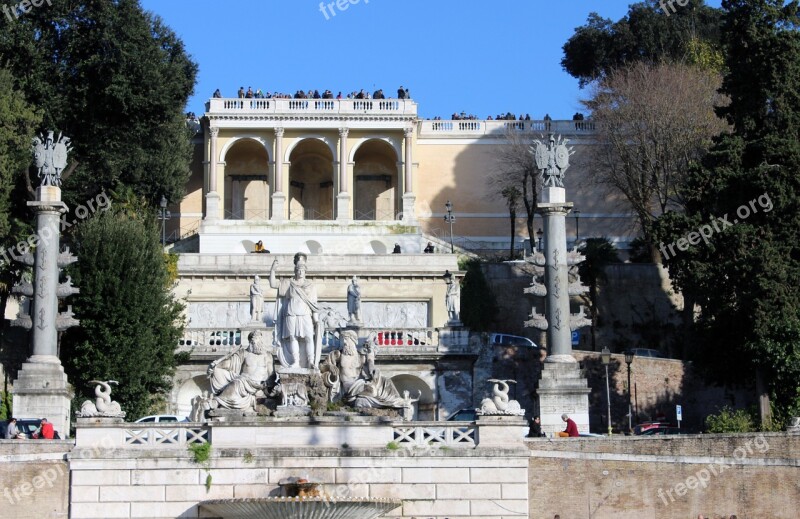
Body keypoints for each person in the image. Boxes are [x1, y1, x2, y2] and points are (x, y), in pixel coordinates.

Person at [270, 253, 323, 370]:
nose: (300, 272)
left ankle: (310, 361)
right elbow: (273, 284)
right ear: (295, 271)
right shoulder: (289, 283)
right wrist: (273, 270)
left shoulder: (310, 285)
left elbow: (313, 305)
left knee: (309, 337)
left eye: (302, 270)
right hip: (291, 313)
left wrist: (316, 320)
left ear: (305, 272)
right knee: (293, 337)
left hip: (305, 314)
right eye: (298, 270)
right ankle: (296, 362)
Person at [208, 330, 274, 409]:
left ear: (261, 341)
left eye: (257, 340)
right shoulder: (244, 354)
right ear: (249, 342)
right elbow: (229, 364)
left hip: (260, 385)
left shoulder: (267, 356)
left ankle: (219, 401)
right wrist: (216, 366)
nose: (254, 344)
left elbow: (271, 374)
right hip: (244, 381)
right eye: (252, 342)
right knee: (236, 382)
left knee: (238, 382)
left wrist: (268, 386)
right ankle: (218, 401)